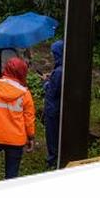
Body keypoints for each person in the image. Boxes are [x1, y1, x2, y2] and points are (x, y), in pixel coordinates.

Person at [0, 57, 36, 184]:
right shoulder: (25, 94)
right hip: (16, 139)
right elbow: (29, 119)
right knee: (11, 173)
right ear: (23, 72)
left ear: (6, 69)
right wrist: (30, 137)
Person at [42, 39, 64, 169]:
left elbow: (52, 90)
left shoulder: (59, 71)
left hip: (53, 108)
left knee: (51, 135)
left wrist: (46, 83)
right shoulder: (62, 68)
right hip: (57, 108)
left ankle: (53, 160)